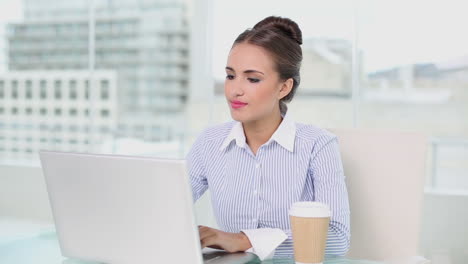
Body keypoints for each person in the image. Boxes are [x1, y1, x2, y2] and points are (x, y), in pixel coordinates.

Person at [186, 16, 350, 260]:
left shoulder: (318, 145)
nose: (235, 90)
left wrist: (242, 240)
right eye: (231, 76)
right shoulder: (210, 142)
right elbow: (166, 208)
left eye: (252, 79)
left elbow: (337, 239)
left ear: (283, 88)